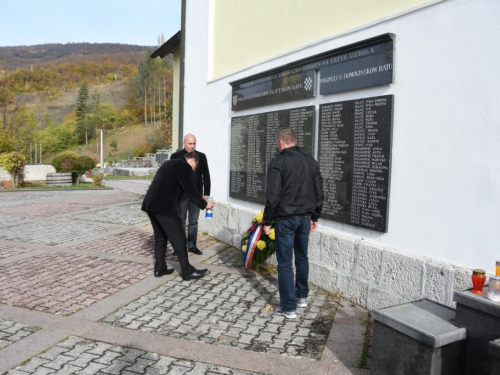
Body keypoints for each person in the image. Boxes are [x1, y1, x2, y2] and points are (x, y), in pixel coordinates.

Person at [263, 128, 324, 319]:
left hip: (285, 219)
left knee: (285, 263)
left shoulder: (278, 161)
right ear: (294, 141)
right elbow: (319, 192)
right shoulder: (311, 162)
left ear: (281, 142)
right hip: (305, 218)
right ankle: (301, 297)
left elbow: (273, 194)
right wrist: (315, 216)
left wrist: (267, 220)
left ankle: (289, 307)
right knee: (302, 257)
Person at [142, 152, 214, 280]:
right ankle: (187, 271)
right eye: (195, 166)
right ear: (192, 160)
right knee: (180, 237)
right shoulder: (184, 166)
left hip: (150, 204)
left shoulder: (170, 163)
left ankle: (160, 268)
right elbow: (190, 189)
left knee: (160, 237)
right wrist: (205, 204)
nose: (194, 169)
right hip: (164, 207)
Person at [171, 134, 211, 255]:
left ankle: (192, 245)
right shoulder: (176, 156)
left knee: (193, 221)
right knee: (181, 221)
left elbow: (206, 175)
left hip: (196, 194)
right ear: (184, 143)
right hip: (181, 195)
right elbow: (171, 176)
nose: (192, 146)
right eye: (190, 144)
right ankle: (179, 247)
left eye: (194, 144)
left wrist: (206, 193)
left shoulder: (201, 156)